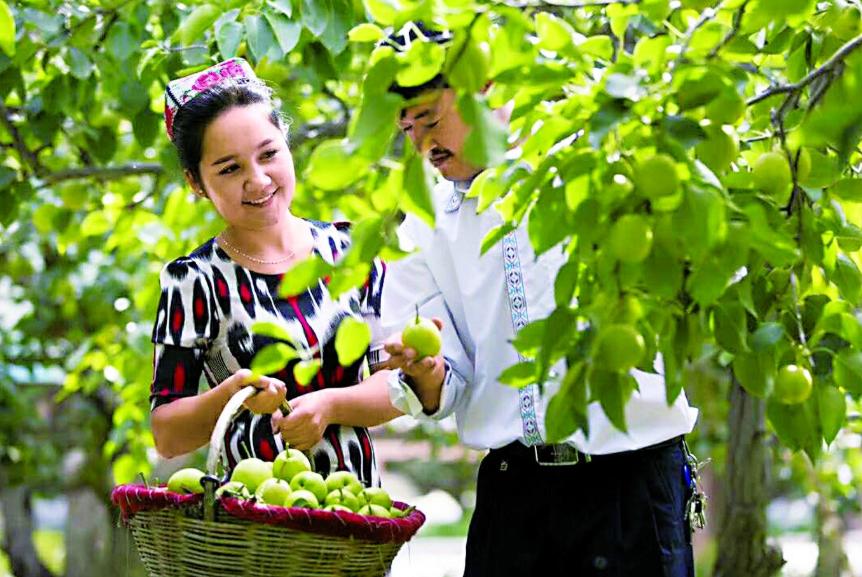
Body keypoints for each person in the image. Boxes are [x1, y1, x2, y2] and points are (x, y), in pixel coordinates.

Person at [379, 23, 700, 577]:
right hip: (515, 494)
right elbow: (447, 374)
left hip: (632, 483)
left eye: (430, 118)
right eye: (407, 128)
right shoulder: (424, 218)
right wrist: (428, 377)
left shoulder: (597, 158)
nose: (422, 143)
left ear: (487, 87)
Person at [150, 58, 401, 487]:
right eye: (230, 169)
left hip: (357, 520)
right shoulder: (193, 279)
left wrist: (329, 406)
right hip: (252, 531)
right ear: (196, 183)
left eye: (269, 154)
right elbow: (167, 434)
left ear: (286, 143)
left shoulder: (350, 251)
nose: (259, 180)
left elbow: (397, 385)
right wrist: (234, 394)